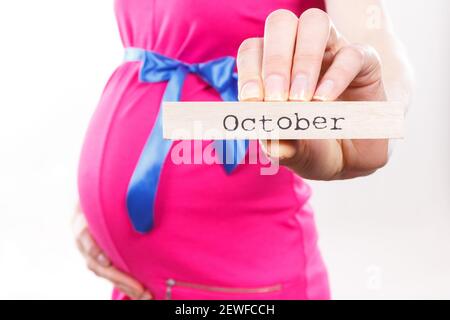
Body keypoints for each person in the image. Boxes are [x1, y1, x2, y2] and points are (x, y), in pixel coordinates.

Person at [74, 0, 412, 300]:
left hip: (242, 283)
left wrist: (375, 119)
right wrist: (94, 202)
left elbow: (380, 49)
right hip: (136, 282)